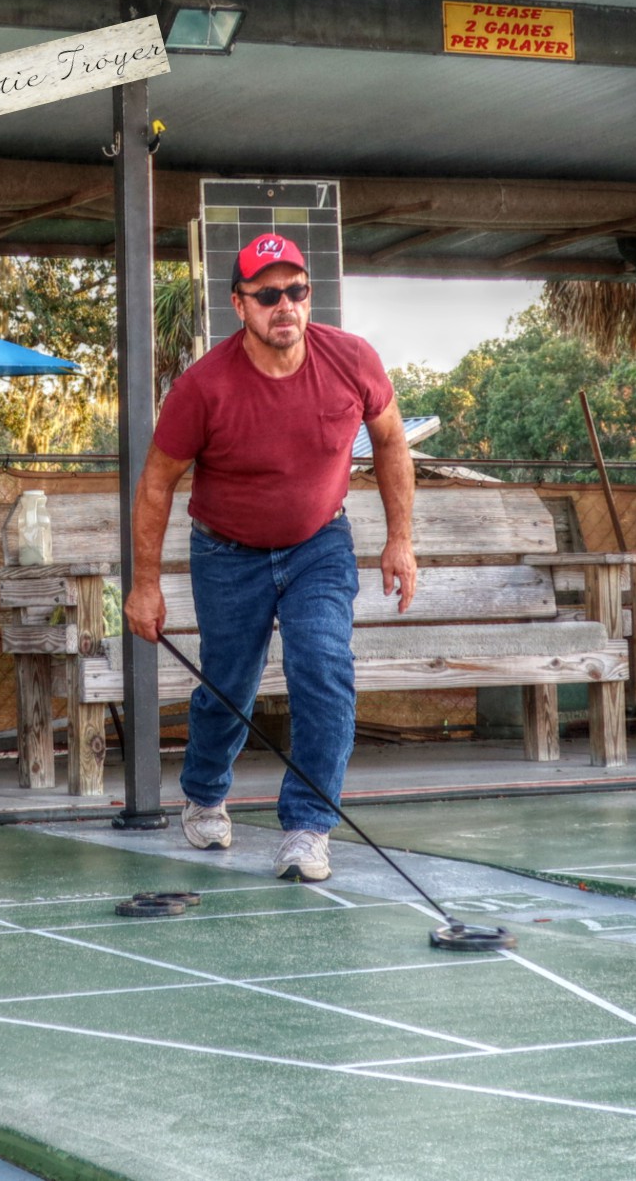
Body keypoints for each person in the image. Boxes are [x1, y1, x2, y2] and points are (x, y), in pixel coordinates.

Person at [123, 233, 417, 882]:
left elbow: (392, 440)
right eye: (268, 294)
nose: (285, 305)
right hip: (227, 553)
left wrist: (400, 540)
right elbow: (156, 482)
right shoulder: (204, 386)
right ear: (240, 304)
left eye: (296, 291)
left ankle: (308, 827)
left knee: (323, 665)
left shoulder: (352, 360)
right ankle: (203, 793)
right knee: (229, 685)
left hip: (320, 543)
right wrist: (145, 585)